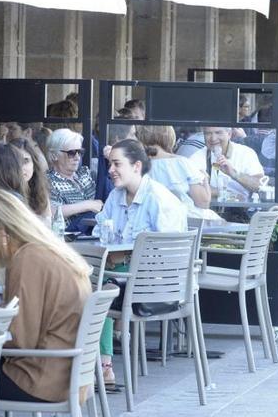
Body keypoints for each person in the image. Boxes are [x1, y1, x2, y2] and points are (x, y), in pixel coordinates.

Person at [0, 189, 91, 403]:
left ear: (2, 233)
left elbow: (20, 340)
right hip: (65, 374)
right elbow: (32, 318)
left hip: (38, 379)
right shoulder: (48, 251)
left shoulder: (28, 258)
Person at [92, 139, 187, 389]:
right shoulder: (116, 195)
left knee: (97, 290)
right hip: (125, 279)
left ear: (136, 166)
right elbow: (101, 229)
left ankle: (101, 366)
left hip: (157, 289)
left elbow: (168, 256)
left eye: (116, 164)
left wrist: (124, 257)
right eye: (109, 163)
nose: (110, 169)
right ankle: (89, 364)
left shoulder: (160, 199)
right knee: (85, 283)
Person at [136, 125, 211, 214]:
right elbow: (203, 203)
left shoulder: (135, 166)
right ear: (169, 136)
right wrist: (205, 178)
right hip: (184, 220)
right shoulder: (182, 163)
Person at [47, 128, 102, 233]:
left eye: (80, 152)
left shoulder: (84, 174)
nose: (77, 157)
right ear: (54, 155)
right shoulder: (48, 180)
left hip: (95, 234)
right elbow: (50, 211)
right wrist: (88, 205)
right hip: (68, 240)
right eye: (71, 153)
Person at [189, 126, 264, 201]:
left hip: (241, 210)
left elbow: (259, 185)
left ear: (229, 134)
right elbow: (192, 187)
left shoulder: (246, 153)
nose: (213, 138)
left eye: (218, 133)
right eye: (208, 133)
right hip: (209, 209)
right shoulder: (197, 156)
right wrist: (227, 195)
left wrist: (234, 174)